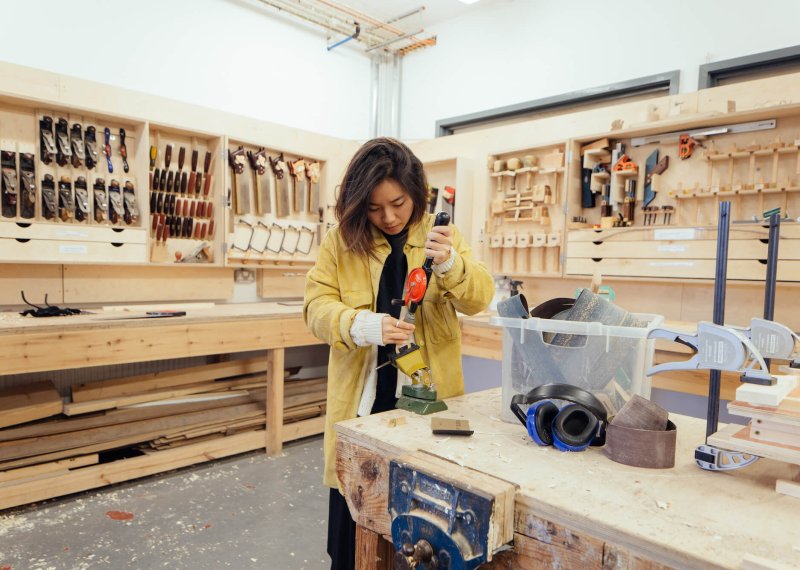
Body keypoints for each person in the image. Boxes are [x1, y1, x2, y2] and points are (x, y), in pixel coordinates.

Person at [303, 137, 494, 569]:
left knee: (423, 535)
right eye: (373, 208)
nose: (388, 217)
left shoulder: (441, 237)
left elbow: (479, 298)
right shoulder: (341, 242)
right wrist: (361, 325)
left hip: (426, 412)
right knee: (354, 542)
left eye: (398, 203)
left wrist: (450, 266)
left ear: (417, 194)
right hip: (362, 412)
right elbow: (315, 308)